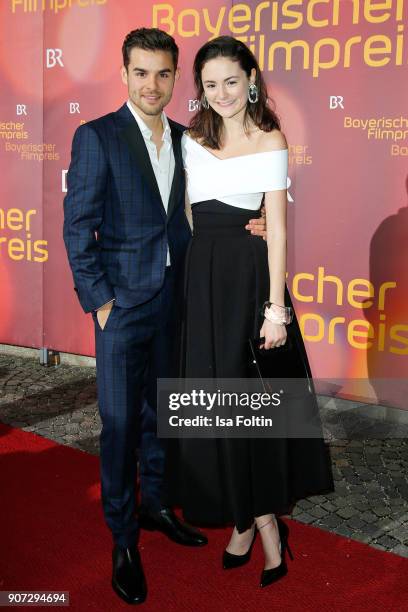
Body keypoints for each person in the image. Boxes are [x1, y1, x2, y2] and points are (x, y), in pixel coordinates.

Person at [63, 28, 266, 605]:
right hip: (121, 310)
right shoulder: (96, 137)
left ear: (177, 79)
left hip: (174, 302)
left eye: (163, 74)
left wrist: (257, 224)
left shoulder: (187, 139)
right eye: (142, 72)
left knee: (161, 420)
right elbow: (78, 227)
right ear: (124, 74)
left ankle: (155, 506)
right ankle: (123, 539)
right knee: (121, 426)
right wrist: (100, 301)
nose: (153, 84)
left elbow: (218, 201)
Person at [164, 36, 334, 588]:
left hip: (248, 284)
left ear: (251, 78)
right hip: (202, 283)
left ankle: (263, 528)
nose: (221, 94)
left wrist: (275, 309)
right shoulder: (191, 139)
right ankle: (246, 520)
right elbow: (189, 212)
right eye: (210, 85)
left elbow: (278, 227)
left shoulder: (270, 139)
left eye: (231, 82)